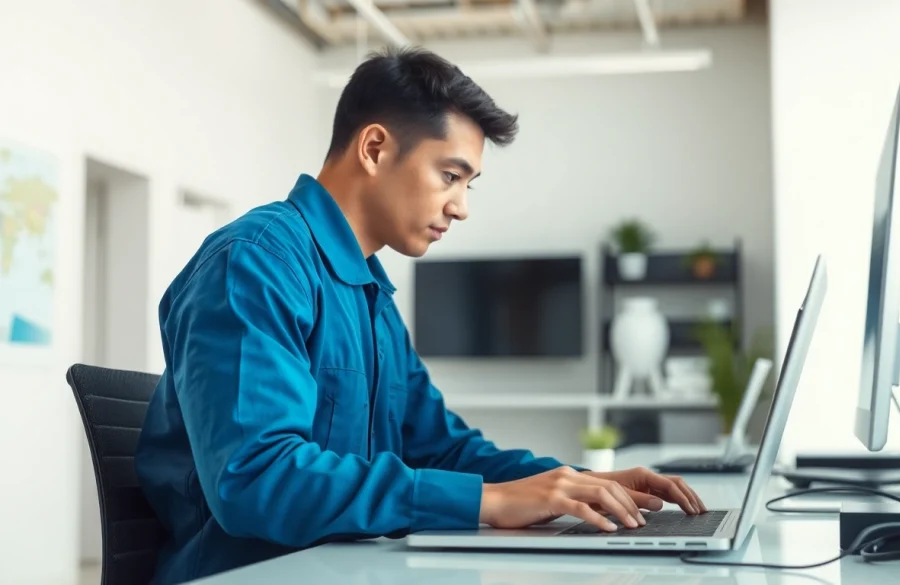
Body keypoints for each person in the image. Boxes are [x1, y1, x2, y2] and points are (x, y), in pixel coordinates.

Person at [134, 45, 706, 585]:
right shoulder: (256, 262)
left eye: (467, 185)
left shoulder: (372, 296)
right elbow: (256, 477)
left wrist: (577, 484)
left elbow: (439, 447)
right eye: (450, 176)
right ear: (375, 148)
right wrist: (488, 502)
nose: (460, 207)